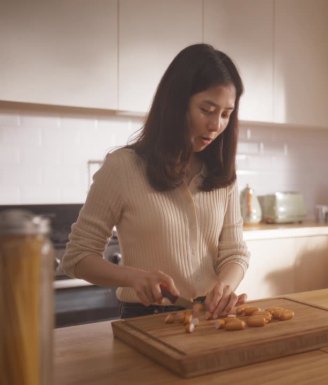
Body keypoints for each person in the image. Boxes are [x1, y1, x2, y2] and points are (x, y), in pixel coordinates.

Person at [61, 43, 249, 320]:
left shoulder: (220, 174)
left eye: (225, 114)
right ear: (176, 104)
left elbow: (235, 253)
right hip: (145, 320)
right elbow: (77, 258)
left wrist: (224, 287)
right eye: (207, 109)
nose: (216, 125)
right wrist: (133, 277)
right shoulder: (123, 167)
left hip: (209, 321)